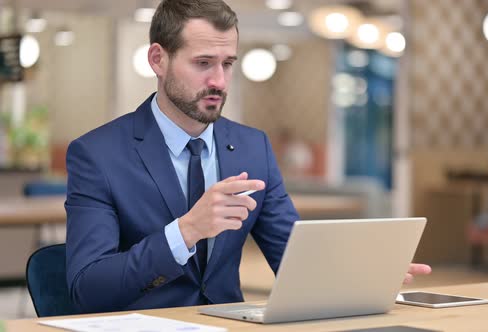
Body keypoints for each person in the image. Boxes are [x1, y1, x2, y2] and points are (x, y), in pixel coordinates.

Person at [65, 0, 431, 314]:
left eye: (227, 64)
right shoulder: (97, 154)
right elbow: (87, 289)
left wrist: (362, 277)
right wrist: (187, 230)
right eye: (203, 63)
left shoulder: (253, 147)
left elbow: (294, 259)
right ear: (158, 59)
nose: (219, 81)